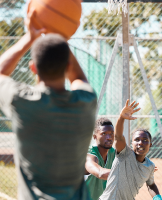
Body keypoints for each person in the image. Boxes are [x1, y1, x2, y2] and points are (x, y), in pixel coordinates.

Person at [0, 10, 97, 200]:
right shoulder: (85, 103)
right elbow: (78, 77)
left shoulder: (22, 102)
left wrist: (30, 37)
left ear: (33, 67)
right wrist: (59, 36)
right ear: (67, 66)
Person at [99, 100, 162, 200]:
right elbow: (118, 136)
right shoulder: (124, 154)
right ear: (131, 144)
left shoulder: (150, 166)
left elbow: (151, 185)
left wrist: (157, 198)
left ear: (150, 145)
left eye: (145, 140)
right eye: (137, 140)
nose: (140, 143)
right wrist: (121, 118)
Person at [85, 118, 115, 200]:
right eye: (104, 133)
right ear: (95, 137)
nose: (109, 137)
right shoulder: (89, 155)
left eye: (111, 133)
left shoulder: (113, 153)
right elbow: (100, 173)